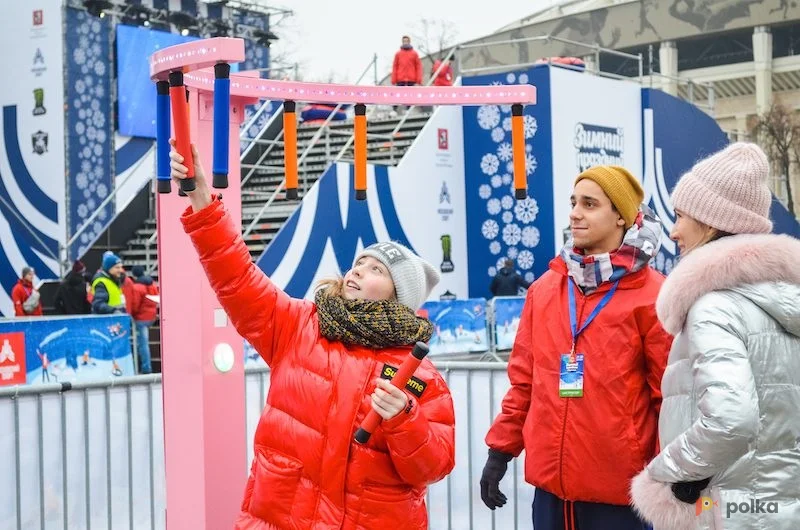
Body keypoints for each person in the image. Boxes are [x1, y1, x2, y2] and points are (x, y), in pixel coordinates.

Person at [170, 141, 455, 529]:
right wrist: (201, 197)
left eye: (375, 270)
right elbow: (237, 276)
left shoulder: (422, 376)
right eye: (359, 263)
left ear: (399, 295)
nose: (357, 271)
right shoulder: (300, 325)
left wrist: (405, 420)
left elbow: (433, 466)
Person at [480, 165, 672, 530]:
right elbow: (525, 382)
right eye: (573, 202)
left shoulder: (654, 295)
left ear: (620, 216)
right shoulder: (545, 288)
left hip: (621, 495)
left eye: (589, 204)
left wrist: (669, 474)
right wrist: (500, 450)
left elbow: (669, 398)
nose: (575, 213)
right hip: (552, 491)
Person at [631, 143, 800, 530]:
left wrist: (669, 475)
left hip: (722, 511)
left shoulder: (714, 305)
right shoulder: (781, 299)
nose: (673, 231)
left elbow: (732, 420)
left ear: (710, 222)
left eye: (680, 216)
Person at [129, 265, 158, 374]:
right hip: (151, 316)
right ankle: (144, 366)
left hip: (141, 318)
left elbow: (135, 305)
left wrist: (132, 313)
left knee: (142, 344)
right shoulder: (152, 285)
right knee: (142, 342)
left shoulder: (137, 287)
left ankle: (146, 368)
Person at [391, 35, 422, 113]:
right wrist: (393, 79)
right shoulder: (398, 54)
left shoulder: (414, 54)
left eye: (406, 41)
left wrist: (418, 79)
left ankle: (408, 109)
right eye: (404, 41)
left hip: (411, 78)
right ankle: (394, 109)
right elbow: (395, 66)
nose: (405, 42)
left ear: (409, 42)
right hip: (400, 77)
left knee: (410, 94)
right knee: (397, 94)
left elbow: (418, 66)